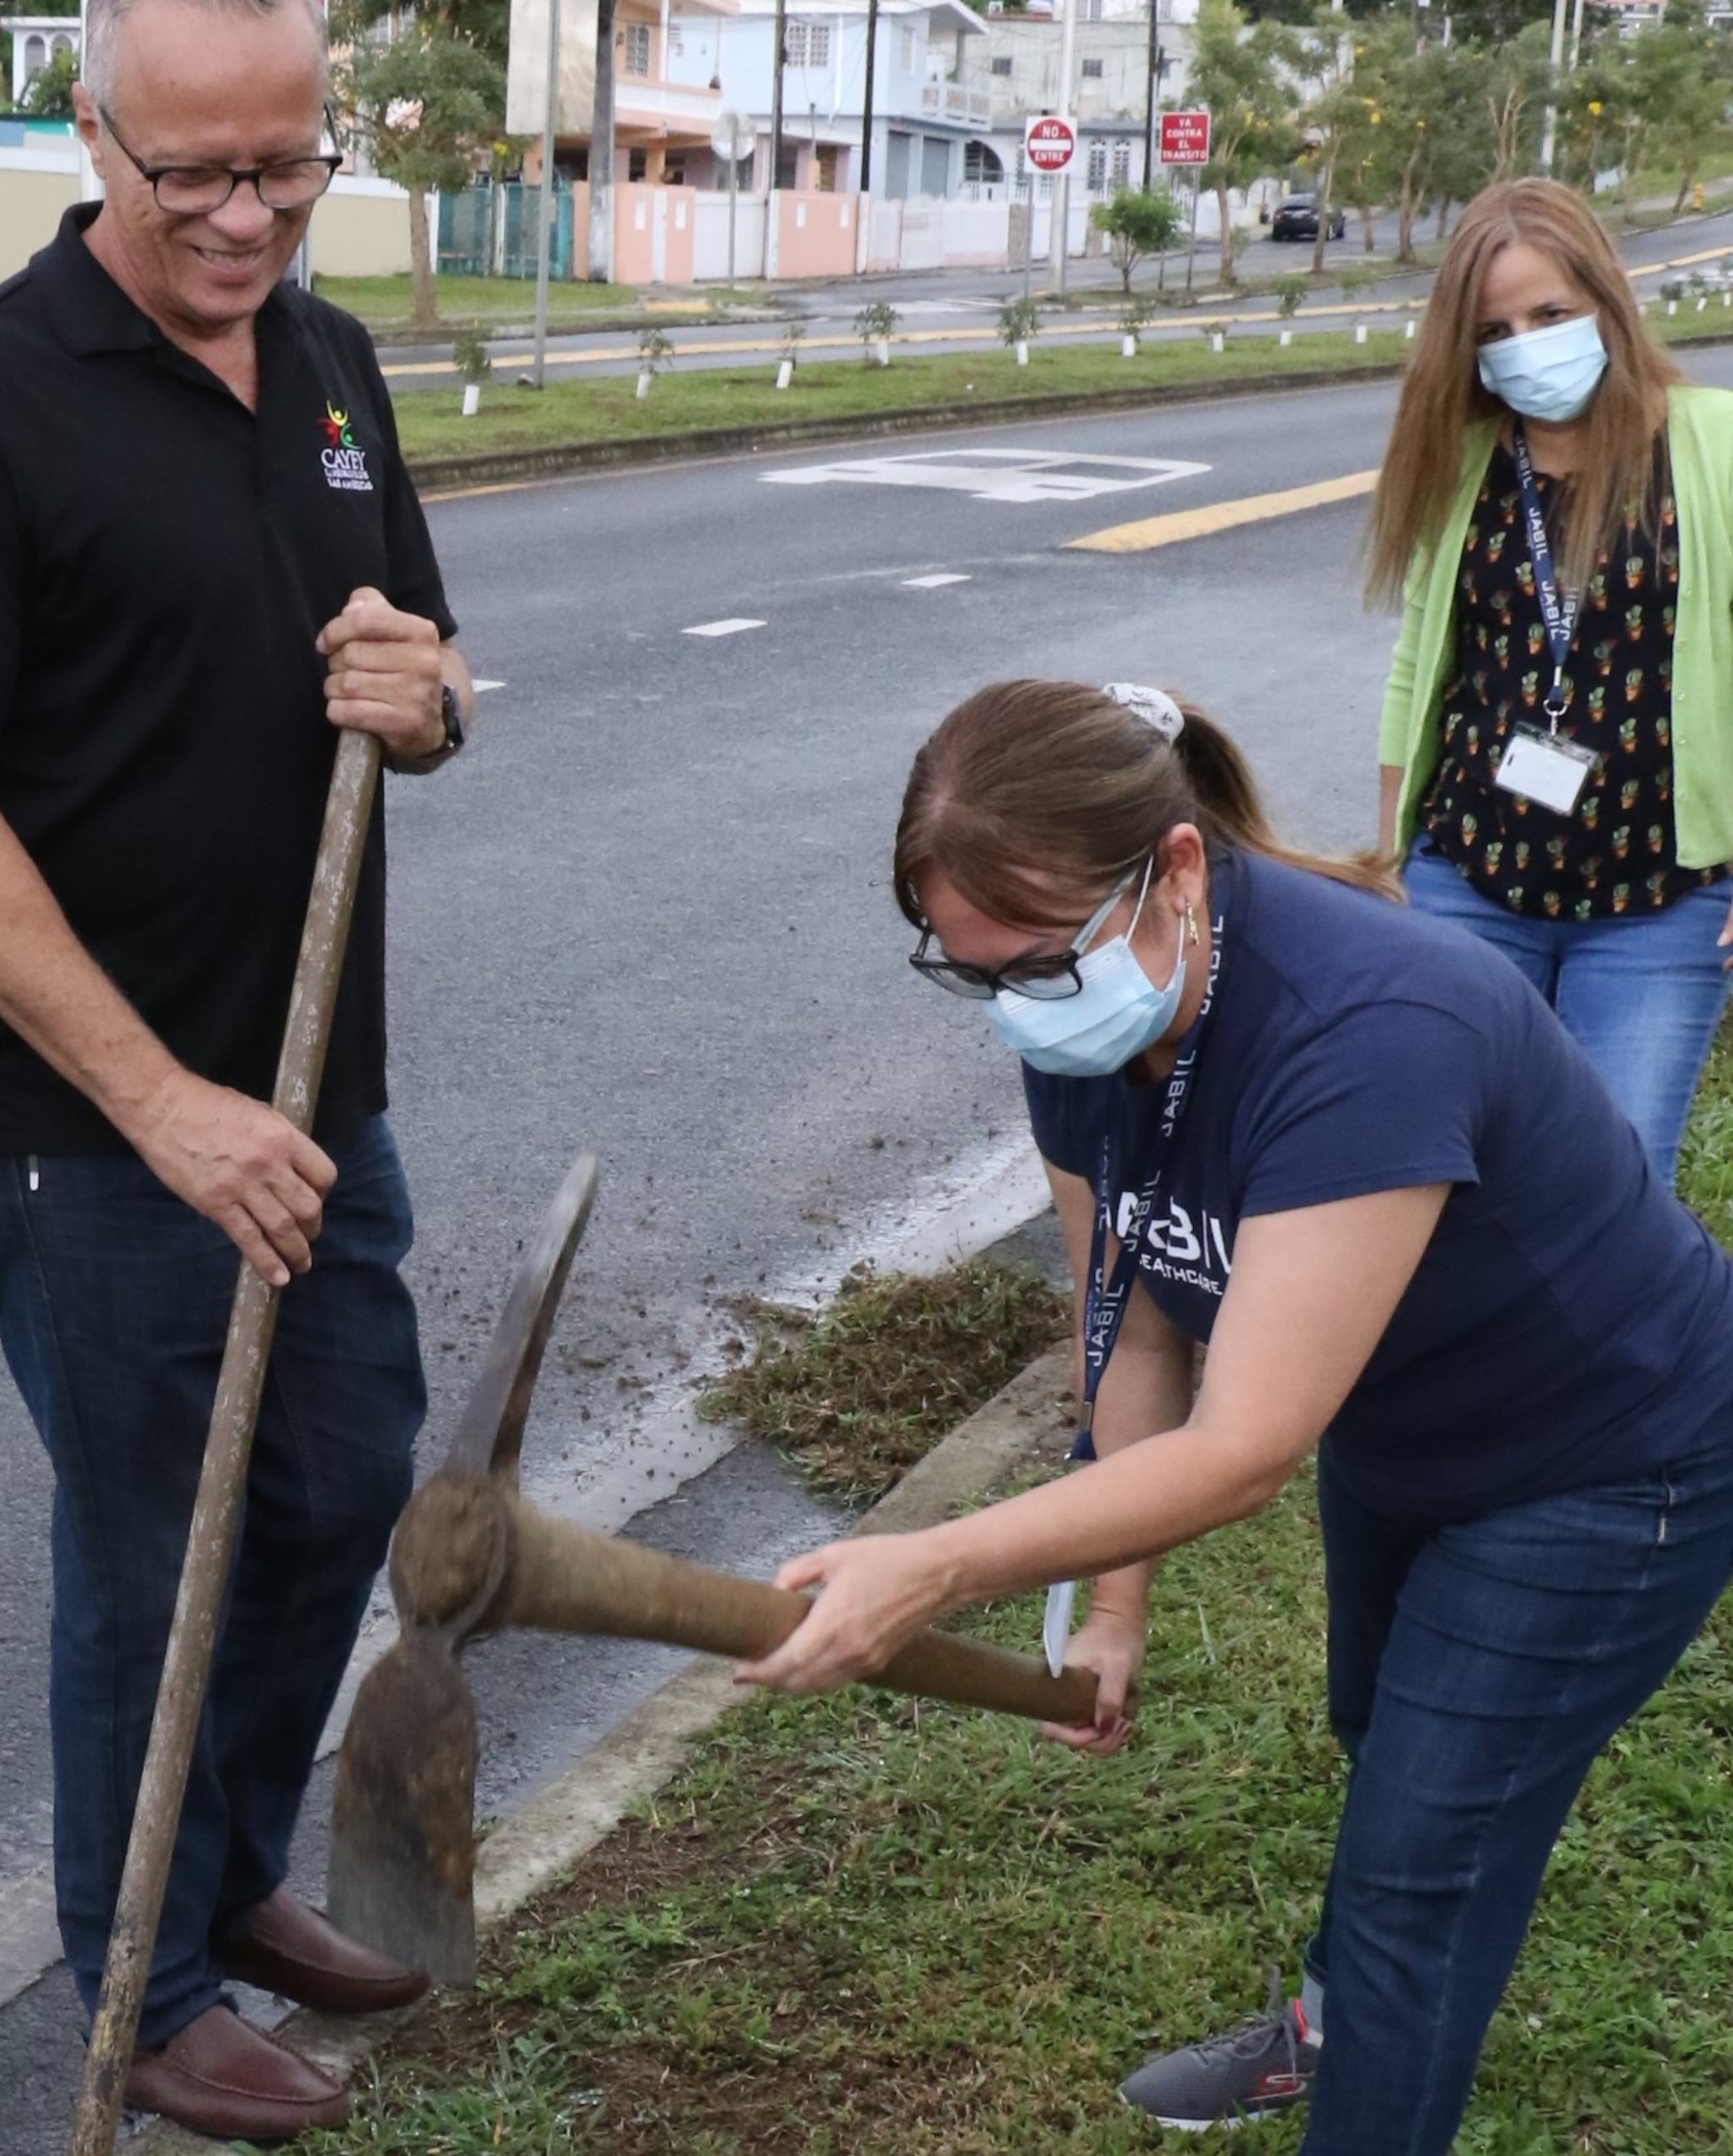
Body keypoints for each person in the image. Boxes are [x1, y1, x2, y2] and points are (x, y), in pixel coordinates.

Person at [739, 680, 1733, 2151]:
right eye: (972, 974)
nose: (1013, 1003)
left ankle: (1372, 2030)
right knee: (1376, 1736)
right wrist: (1116, 1606)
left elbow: (1246, 1445)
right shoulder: (1080, 1009)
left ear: (1179, 873)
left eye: (1030, 963)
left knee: (1421, 1871)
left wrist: (940, 1562)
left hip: (1610, 1458)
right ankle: (1348, 2018)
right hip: (1407, 1423)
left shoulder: (1372, 1027)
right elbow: (1131, 1324)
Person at [0, 0, 473, 2136]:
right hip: (83, 1126)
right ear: (88, 134)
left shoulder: (329, 361)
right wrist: (158, 1103)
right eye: (188, 173)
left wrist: (424, 693)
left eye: (282, 169)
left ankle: (223, 1869)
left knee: (333, 1476)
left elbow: (419, 676)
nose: (239, 216)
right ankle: (147, 1969)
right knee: (148, 1540)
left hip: (312, 1087)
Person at [1371, 177, 1733, 1186]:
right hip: (1470, 881)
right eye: (1495, 328)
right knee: (1441, 1177)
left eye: (1550, 314)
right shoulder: (1465, 464)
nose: (1525, 344)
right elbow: (1418, 667)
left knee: (1611, 1188)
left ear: (1606, 303)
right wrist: (1396, 857)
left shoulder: (1713, 443)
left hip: (1659, 901)